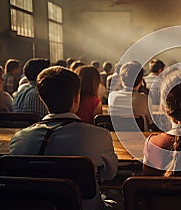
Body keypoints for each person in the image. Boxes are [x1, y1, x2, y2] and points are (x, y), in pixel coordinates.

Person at [10, 66, 118, 210]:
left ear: (42, 99)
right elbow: (110, 174)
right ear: (76, 97)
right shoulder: (99, 136)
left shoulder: (19, 139)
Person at [108, 61, 154, 131]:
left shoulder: (111, 96)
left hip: (117, 137)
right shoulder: (145, 99)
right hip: (140, 139)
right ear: (141, 81)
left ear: (121, 79)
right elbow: (151, 123)